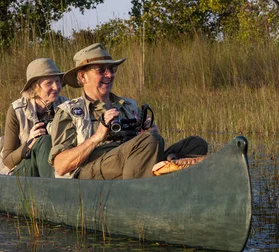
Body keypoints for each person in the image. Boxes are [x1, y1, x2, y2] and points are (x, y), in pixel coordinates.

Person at [49, 43, 207, 179]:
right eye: (101, 70)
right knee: (150, 141)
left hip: (132, 163)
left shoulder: (128, 105)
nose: (109, 75)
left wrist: (150, 133)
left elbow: (145, 144)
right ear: (83, 77)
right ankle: (137, 196)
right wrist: (97, 137)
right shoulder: (69, 112)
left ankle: (177, 188)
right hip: (90, 173)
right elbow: (61, 166)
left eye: (112, 69)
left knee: (195, 145)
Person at [0, 58, 69, 177]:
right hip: (21, 170)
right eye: (49, 83)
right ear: (35, 87)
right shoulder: (17, 110)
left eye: (58, 81)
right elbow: (7, 161)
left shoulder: (66, 106)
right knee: (43, 141)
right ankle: (54, 190)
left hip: (56, 167)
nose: (56, 87)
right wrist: (29, 143)